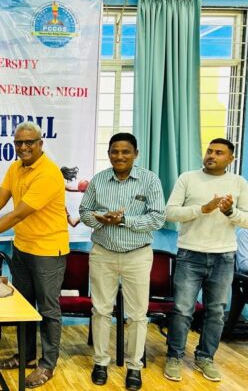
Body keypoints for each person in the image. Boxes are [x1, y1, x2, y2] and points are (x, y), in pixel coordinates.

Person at [0, 122, 69, 388]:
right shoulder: (15, 168)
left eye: (29, 142)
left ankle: (47, 364)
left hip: (48, 251)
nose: (23, 147)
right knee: (23, 306)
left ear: (40, 144)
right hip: (22, 248)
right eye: (19, 142)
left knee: (48, 310)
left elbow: (17, 215)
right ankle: (26, 356)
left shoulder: (49, 173)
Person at [79, 133, 165, 391]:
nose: (119, 156)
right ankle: (100, 362)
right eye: (114, 151)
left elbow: (158, 218)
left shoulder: (150, 180)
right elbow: (84, 212)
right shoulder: (98, 180)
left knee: (137, 315)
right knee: (101, 310)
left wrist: (124, 220)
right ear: (108, 154)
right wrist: (100, 219)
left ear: (135, 154)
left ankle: (134, 367)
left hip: (137, 255)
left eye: (125, 151)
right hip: (103, 253)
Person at [163, 138, 248, 383]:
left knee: (216, 312)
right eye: (210, 151)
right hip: (190, 254)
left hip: (224, 256)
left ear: (230, 159)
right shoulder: (188, 178)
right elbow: (170, 212)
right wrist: (202, 209)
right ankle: (174, 357)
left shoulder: (239, 183)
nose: (212, 155)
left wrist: (230, 211)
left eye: (219, 153)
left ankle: (205, 357)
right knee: (182, 310)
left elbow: (246, 219)